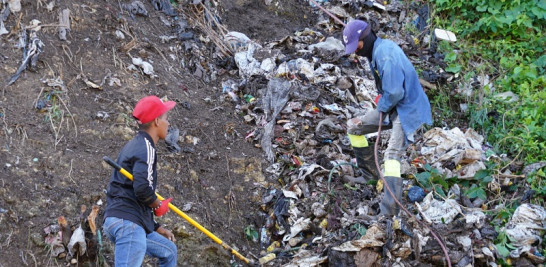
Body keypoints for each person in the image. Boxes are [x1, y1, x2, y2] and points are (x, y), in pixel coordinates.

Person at [342, 20, 432, 216]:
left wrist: (381, 107)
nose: (355, 52)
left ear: (364, 40)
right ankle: (370, 176)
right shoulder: (375, 51)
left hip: (407, 109)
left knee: (391, 155)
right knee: (354, 128)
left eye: (356, 47)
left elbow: (394, 93)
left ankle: (390, 210)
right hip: (392, 105)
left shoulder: (385, 55)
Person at [103, 95, 178, 267]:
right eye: (166, 118)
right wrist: (158, 204)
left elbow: (131, 191)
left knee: (169, 251)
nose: (168, 124)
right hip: (128, 224)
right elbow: (142, 189)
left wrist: (156, 227)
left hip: (122, 220)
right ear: (157, 121)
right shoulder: (146, 148)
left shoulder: (137, 145)